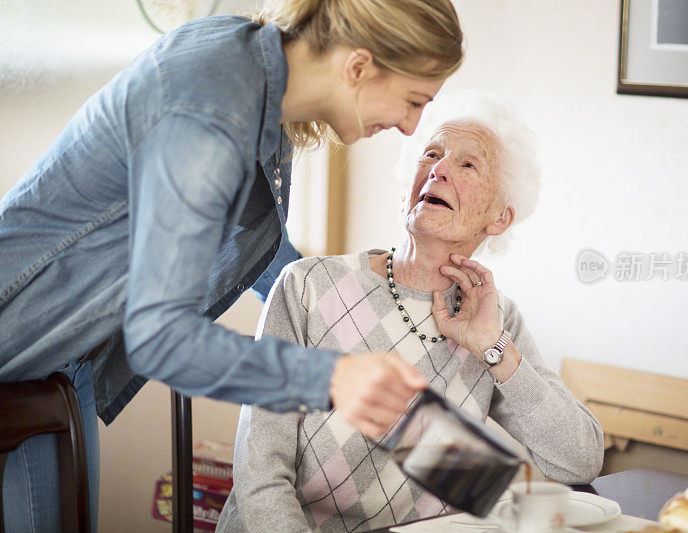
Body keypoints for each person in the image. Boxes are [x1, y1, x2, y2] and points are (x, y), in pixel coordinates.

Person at [0, 1, 463, 530]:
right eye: (413, 100)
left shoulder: (258, 85)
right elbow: (159, 338)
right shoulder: (213, 109)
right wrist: (334, 378)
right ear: (358, 66)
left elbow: (266, 259)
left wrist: (359, 332)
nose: (411, 127)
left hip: (66, 364)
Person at [216, 92, 605, 533]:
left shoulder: (495, 320)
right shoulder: (308, 285)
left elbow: (579, 461)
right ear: (407, 188)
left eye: (467, 165)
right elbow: (260, 470)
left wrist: (494, 350)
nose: (438, 169)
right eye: (432, 154)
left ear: (499, 218)